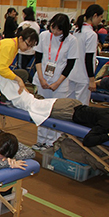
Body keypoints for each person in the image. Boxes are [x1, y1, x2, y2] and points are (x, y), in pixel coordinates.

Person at [0, 76, 109, 147]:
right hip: (67, 111)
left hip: (72, 105)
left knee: (35, 102)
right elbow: (89, 140)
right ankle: (6, 88)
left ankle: (12, 87)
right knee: (30, 105)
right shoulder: (107, 124)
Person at [32, 13, 77, 150]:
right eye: (53, 28)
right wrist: (41, 78)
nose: (55, 32)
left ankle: (52, 142)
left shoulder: (71, 40)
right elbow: (38, 58)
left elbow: (70, 65)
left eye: (59, 29)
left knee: (56, 112)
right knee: (41, 111)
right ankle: (41, 140)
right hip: (43, 79)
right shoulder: (44, 36)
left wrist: (57, 83)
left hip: (60, 82)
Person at [0, 28, 39, 112]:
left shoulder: (14, 46)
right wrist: (19, 80)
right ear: (20, 38)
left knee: (23, 74)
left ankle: (5, 96)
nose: (29, 48)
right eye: (28, 45)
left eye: (31, 46)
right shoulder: (9, 46)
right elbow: (2, 69)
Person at [68, 4, 104, 105]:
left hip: (72, 74)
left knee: (70, 105)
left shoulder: (77, 31)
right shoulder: (91, 34)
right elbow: (88, 58)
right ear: (95, 15)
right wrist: (91, 79)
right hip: (83, 76)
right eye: (100, 17)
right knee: (81, 107)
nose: (100, 20)